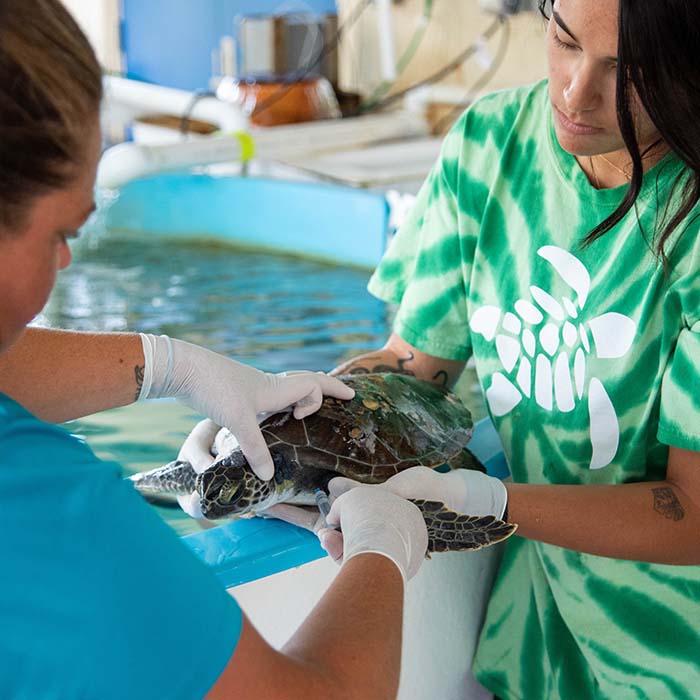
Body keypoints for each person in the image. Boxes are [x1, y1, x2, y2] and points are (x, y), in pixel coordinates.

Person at [234, 0, 699, 698]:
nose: (575, 93)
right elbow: (414, 370)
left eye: (627, 72)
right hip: (541, 636)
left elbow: (690, 513)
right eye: (564, 41)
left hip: (675, 651)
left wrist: (488, 499)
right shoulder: (493, 142)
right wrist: (294, 426)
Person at [0, 1, 429, 698]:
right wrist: (382, 548)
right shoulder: (44, 504)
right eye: (59, 235)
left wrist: (172, 365)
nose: (68, 262)